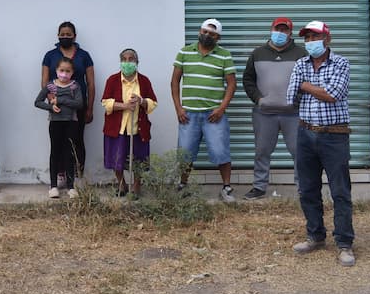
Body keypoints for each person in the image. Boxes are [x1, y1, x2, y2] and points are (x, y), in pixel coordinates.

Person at [287, 20, 355, 267]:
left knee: (340, 191)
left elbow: (333, 94)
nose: (310, 42)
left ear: (327, 38)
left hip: (334, 135)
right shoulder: (300, 63)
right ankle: (315, 236)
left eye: (315, 37)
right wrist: (313, 89)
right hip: (306, 134)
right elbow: (289, 96)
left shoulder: (341, 63)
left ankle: (344, 243)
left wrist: (305, 85)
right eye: (307, 38)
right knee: (307, 189)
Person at [171, 18, 237, 203]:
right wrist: (178, 108)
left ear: (218, 38)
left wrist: (221, 109)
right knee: (185, 153)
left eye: (212, 34)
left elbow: (232, 85)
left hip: (213, 115)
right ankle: (183, 185)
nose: (207, 35)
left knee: (220, 150)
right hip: (188, 115)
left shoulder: (224, 55)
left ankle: (226, 188)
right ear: (200, 31)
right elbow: (174, 81)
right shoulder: (185, 52)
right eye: (205, 31)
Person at [242, 17, 306, 200]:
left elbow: (307, 80)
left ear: (290, 33)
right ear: (271, 29)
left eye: (285, 30)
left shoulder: (301, 54)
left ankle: (303, 189)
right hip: (264, 113)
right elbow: (248, 79)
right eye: (278, 29)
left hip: (293, 114)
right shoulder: (257, 53)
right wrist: (258, 99)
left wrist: (296, 101)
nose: (281, 33)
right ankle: (259, 187)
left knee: (299, 152)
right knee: (262, 151)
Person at [41, 22, 95, 182]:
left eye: (68, 34)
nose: (65, 37)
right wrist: (51, 100)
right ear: (58, 36)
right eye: (62, 34)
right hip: (57, 106)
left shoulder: (84, 56)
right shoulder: (50, 55)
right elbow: (45, 81)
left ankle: (78, 175)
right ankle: (61, 175)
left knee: (77, 140)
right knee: (58, 140)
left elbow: (91, 83)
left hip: (78, 105)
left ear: (74, 36)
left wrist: (90, 108)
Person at [101, 48, 158, 196]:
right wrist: (125, 106)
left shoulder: (144, 81)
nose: (127, 62)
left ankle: (136, 186)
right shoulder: (112, 80)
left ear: (137, 62)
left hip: (138, 128)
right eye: (124, 59)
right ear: (120, 62)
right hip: (117, 128)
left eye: (131, 59)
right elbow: (105, 102)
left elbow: (153, 103)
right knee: (116, 157)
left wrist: (141, 101)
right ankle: (122, 185)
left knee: (139, 159)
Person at [34, 57, 82, 199]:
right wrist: (50, 107)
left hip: (71, 123)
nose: (64, 74)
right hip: (55, 123)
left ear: (72, 72)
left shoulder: (75, 86)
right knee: (55, 152)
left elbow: (79, 104)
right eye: (61, 70)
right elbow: (37, 102)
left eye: (68, 71)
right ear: (56, 71)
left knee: (69, 153)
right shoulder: (50, 86)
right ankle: (53, 186)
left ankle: (71, 186)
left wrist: (60, 100)